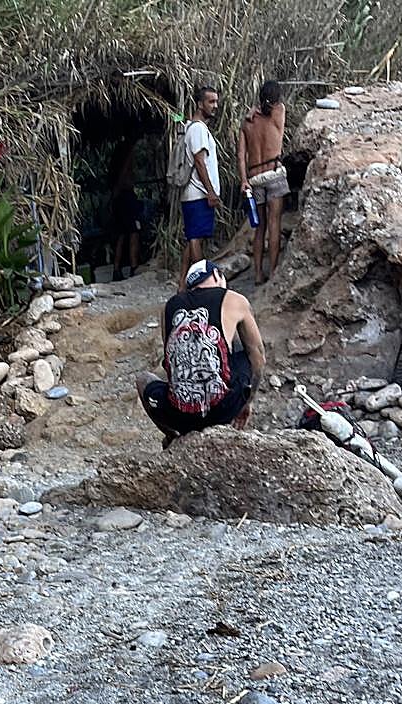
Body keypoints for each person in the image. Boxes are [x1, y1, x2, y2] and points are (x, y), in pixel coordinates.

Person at [137, 259, 267, 448]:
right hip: (224, 409)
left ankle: (173, 436)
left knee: (143, 380)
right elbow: (259, 355)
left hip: (180, 415)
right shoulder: (234, 299)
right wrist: (246, 402)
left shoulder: (169, 307)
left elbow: (170, 363)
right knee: (245, 351)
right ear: (216, 276)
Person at [238, 80, 287, 284]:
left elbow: (241, 155)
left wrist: (244, 180)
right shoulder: (279, 112)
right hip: (274, 173)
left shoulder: (247, 121)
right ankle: (274, 271)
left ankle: (258, 274)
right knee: (274, 224)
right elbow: (274, 105)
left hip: (254, 178)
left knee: (260, 227)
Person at [178, 86, 221, 291]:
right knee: (195, 239)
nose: (215, 106)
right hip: (198, 194)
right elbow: (200, 161)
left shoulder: (196, 128)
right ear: (199, 104)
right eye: (211, 102)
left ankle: (182, 286)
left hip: (196, 194)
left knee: (193, 238)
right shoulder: (197, 129)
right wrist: (211, 191)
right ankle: (201, 285)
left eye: (216, 102)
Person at [110, 135, 142, 280]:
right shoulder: (127, 152)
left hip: (119, 198)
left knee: (121, 234)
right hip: (126, 197)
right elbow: (124, 175)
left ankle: (117, 269)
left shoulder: (118, 154)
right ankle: (134, 267)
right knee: (133, 232)